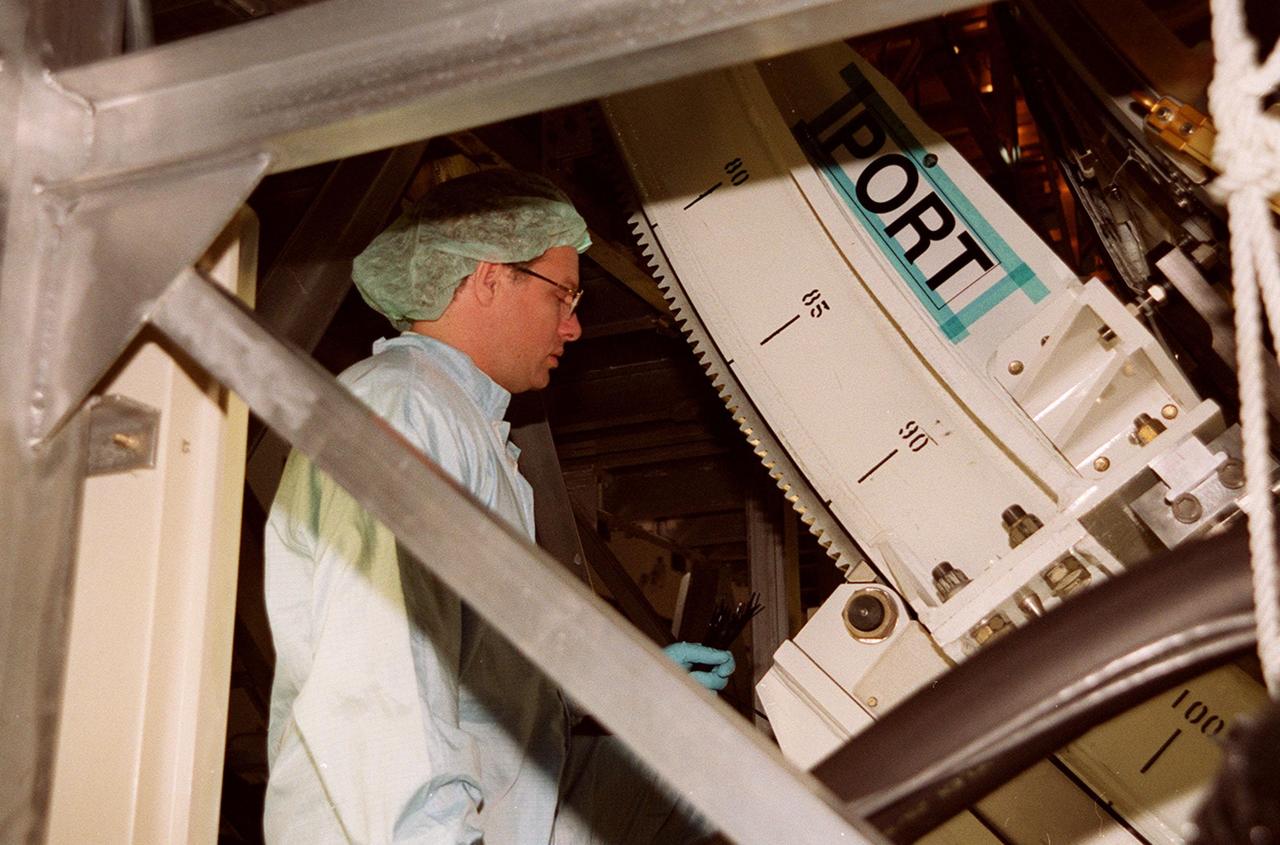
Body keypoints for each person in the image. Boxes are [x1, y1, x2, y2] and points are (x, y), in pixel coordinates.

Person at [263, 168, 735, 843]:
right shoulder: (403, 408)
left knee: (706, 768)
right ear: (489, 278)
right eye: (563, 295)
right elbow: (381, 678)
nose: (573, 327)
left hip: (498, 811)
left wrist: (624, 685)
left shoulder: (469, 427)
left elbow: (479, 672)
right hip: (413, 829)